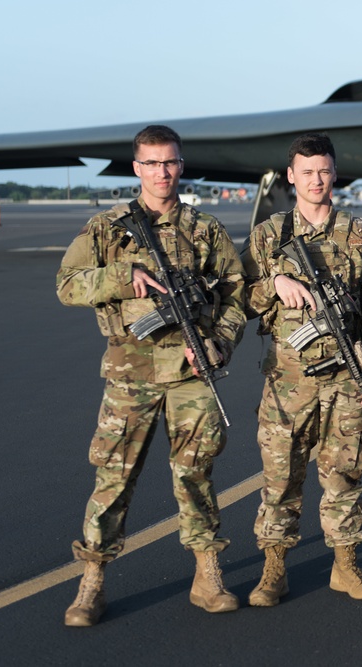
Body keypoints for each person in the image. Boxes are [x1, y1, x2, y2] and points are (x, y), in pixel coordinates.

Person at [58, 125, 246, 626]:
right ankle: (92, 583)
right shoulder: (107, 228)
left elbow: (236, 295)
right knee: (113, 478)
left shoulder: (205, 229)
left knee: (196, 475)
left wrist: (219, 341)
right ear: (136, 168)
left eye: (171, 162)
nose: (162, 172)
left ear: (181, 166)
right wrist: (122, 278)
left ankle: (208, 575)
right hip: (130, 375)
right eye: (152, 163)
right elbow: (67, 285)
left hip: (191, 373)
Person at [241, 133, 362, 605]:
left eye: (324, 171)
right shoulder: (269, 236)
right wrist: (274, 280)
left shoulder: (360, 235)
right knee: (280, 481)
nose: (316, 180)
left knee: (345, 479)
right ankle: (273, 572)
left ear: (335, 174)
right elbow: (239, 302)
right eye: (306, 172)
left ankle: (346, 568)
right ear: (291, 176)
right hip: (287, 385)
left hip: (348, 381)